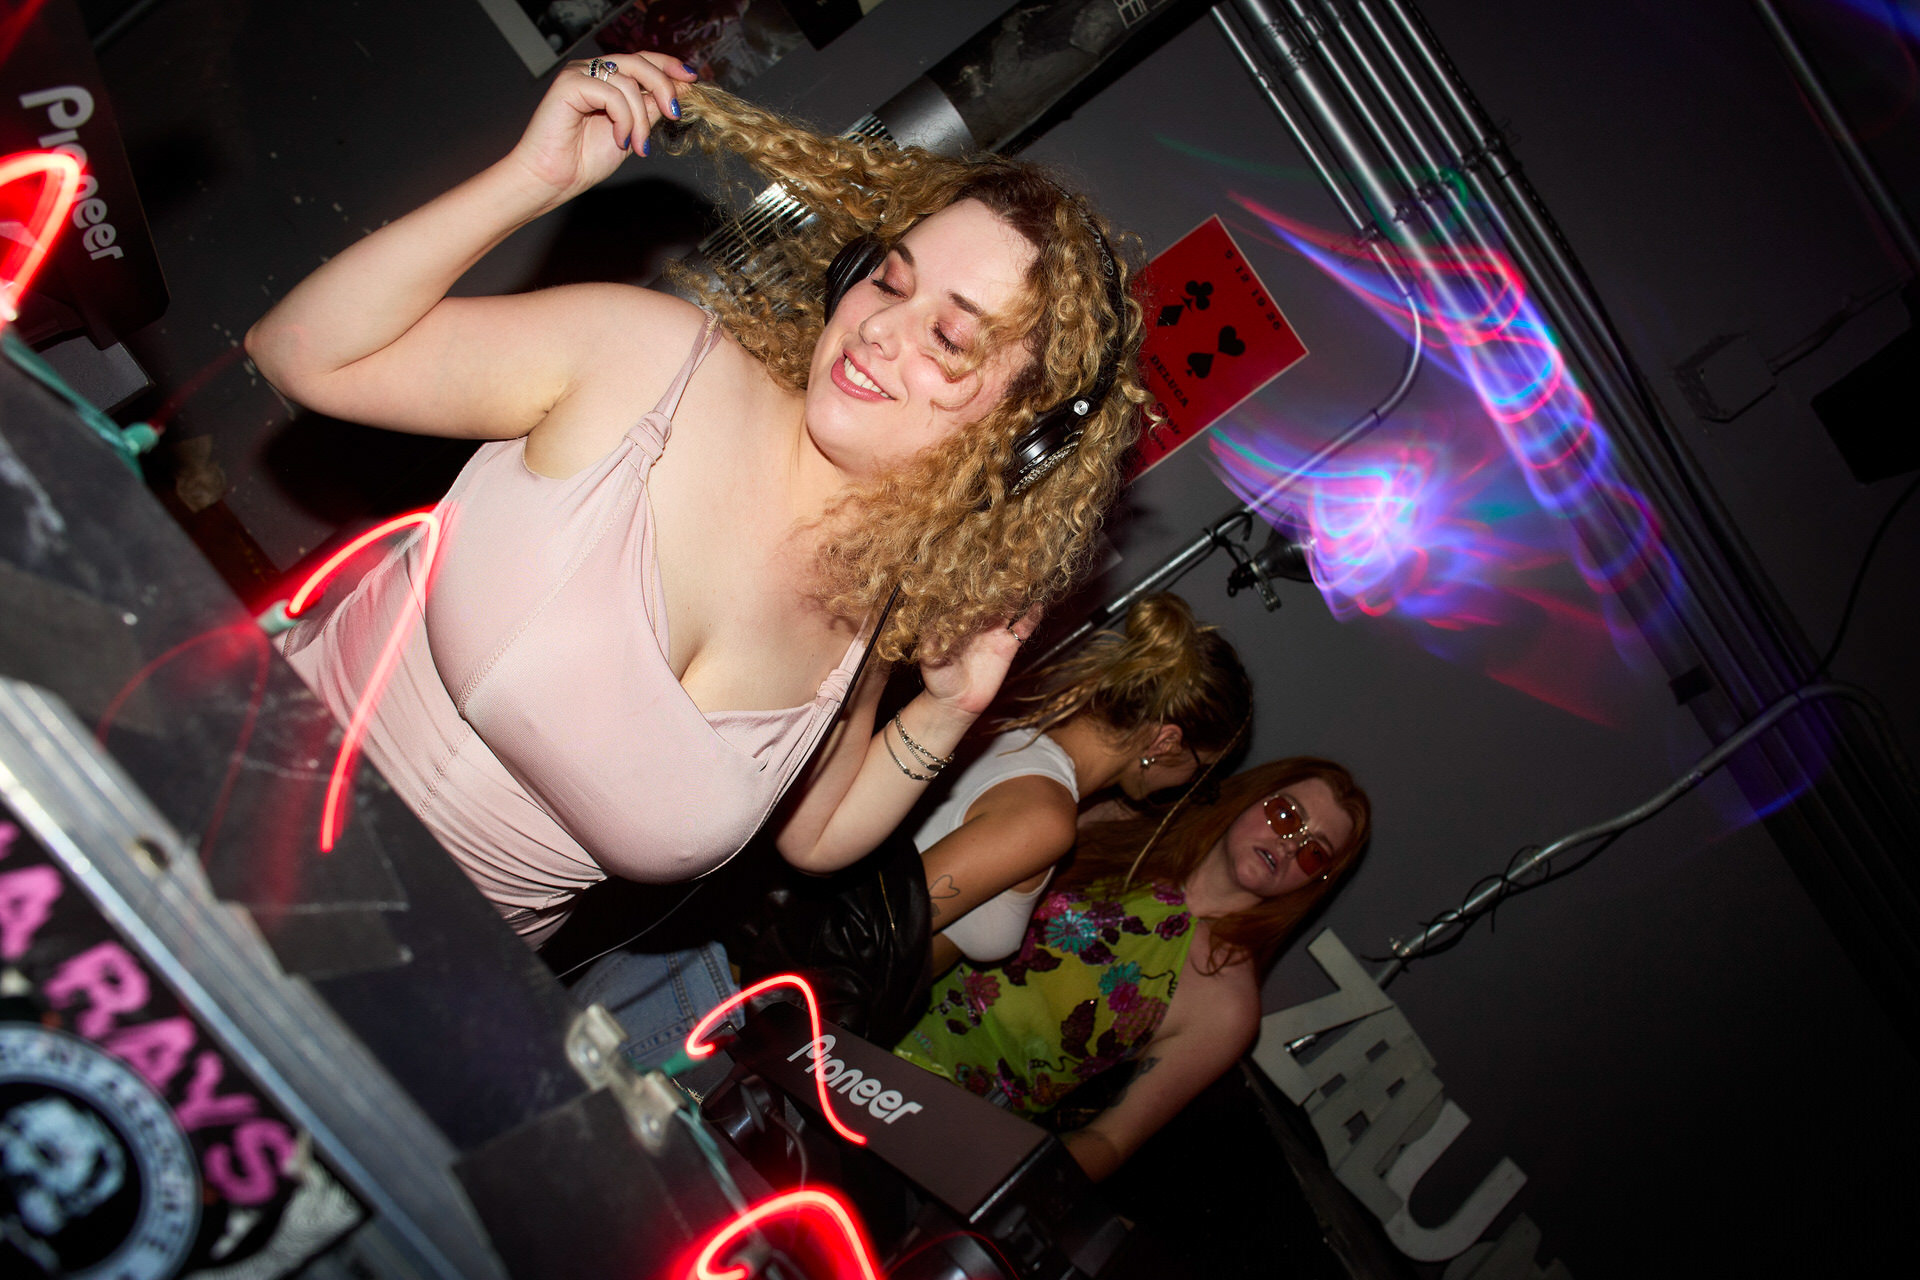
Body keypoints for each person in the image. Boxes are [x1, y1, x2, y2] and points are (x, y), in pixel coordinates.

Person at [245, 52, 1144, 944]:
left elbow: (818, 837)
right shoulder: (650, 363)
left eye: (947, 337)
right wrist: (531, 179)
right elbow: (300, 352)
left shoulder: (874, 601)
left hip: (429, 991)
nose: (876, 327)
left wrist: (949, 709)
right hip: (243, 816)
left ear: (1023, 437)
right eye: (888, 280)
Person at [893, 757, 1371, 1181]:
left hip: (949, 1128)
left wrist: (995, 1188)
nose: (1288, 846)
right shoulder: (1118, 828)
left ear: (1314, 882)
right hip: (882, 1007)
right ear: (1252, 796)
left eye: (1313, 852)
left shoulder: (1227, 1007)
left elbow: (1109, 1141)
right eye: (1286, 815)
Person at [912, 592, 1251, 976]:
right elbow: (881, 928)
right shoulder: (1045, 817)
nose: (1188, 782)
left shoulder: (1013, 733)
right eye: (1200, 770)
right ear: (1166, 743)